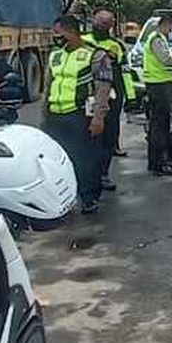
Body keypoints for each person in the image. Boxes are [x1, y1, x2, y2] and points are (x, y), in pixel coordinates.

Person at [43, 15, 113, 214]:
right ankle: (61, 198)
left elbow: (103, 89)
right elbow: (47, 87)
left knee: (86, 160)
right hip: (55, 115)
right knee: (56, 161)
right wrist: (44, 115)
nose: (55, 37)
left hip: (80, 116)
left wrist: (99, 118)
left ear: (72, 32)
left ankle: (88, 197)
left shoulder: (96, 55)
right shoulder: (55, 55)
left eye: (59, 33)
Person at [84, 9, 126, 191]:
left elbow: (121, 70)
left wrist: (129, 98)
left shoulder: (116, 45)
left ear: (111, 25)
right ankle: (86, 174)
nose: (101, 25)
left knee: (107, 138)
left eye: (106, 23)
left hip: (110, 97)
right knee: (87, 137)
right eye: (99, 22)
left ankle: (103, 174)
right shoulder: (83, 41)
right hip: (85, 96)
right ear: (93, 21)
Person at [143, 14, 172, 176]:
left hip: (160, 84)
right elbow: (165, 59)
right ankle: (158, 163)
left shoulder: (160, 38)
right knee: (160, 126)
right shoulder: (157, 39)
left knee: (159, 124)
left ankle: (158, 161)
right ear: (166, 24)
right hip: (158, 85)